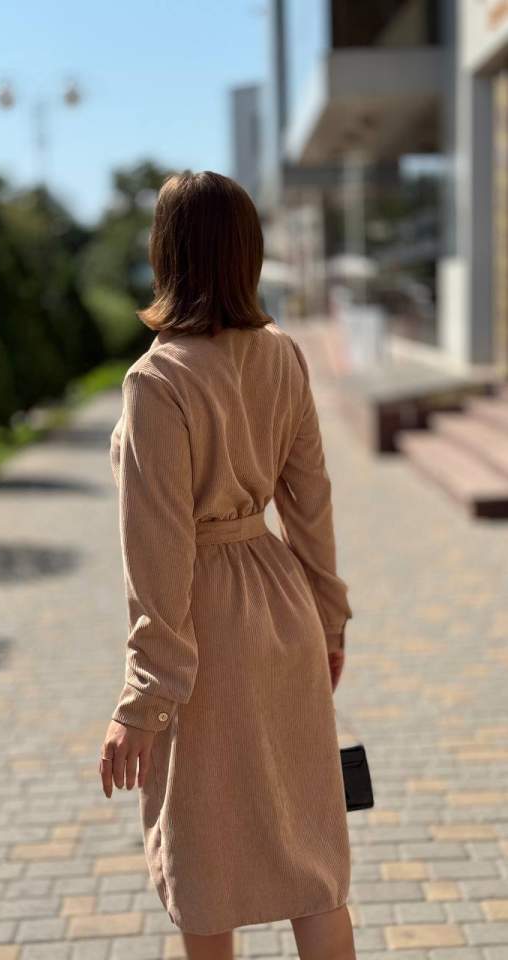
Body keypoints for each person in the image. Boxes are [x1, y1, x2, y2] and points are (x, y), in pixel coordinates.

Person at [99, 170, 356, 960]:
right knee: (313, 860)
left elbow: (159, 555)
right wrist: (329, 621)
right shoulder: (283, 356)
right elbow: (310, 505)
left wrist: (143, 701)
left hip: (202, 633)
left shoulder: (157, 380)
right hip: (283, 610)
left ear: (165, 252)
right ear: (249, 253)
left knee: (203, 865)